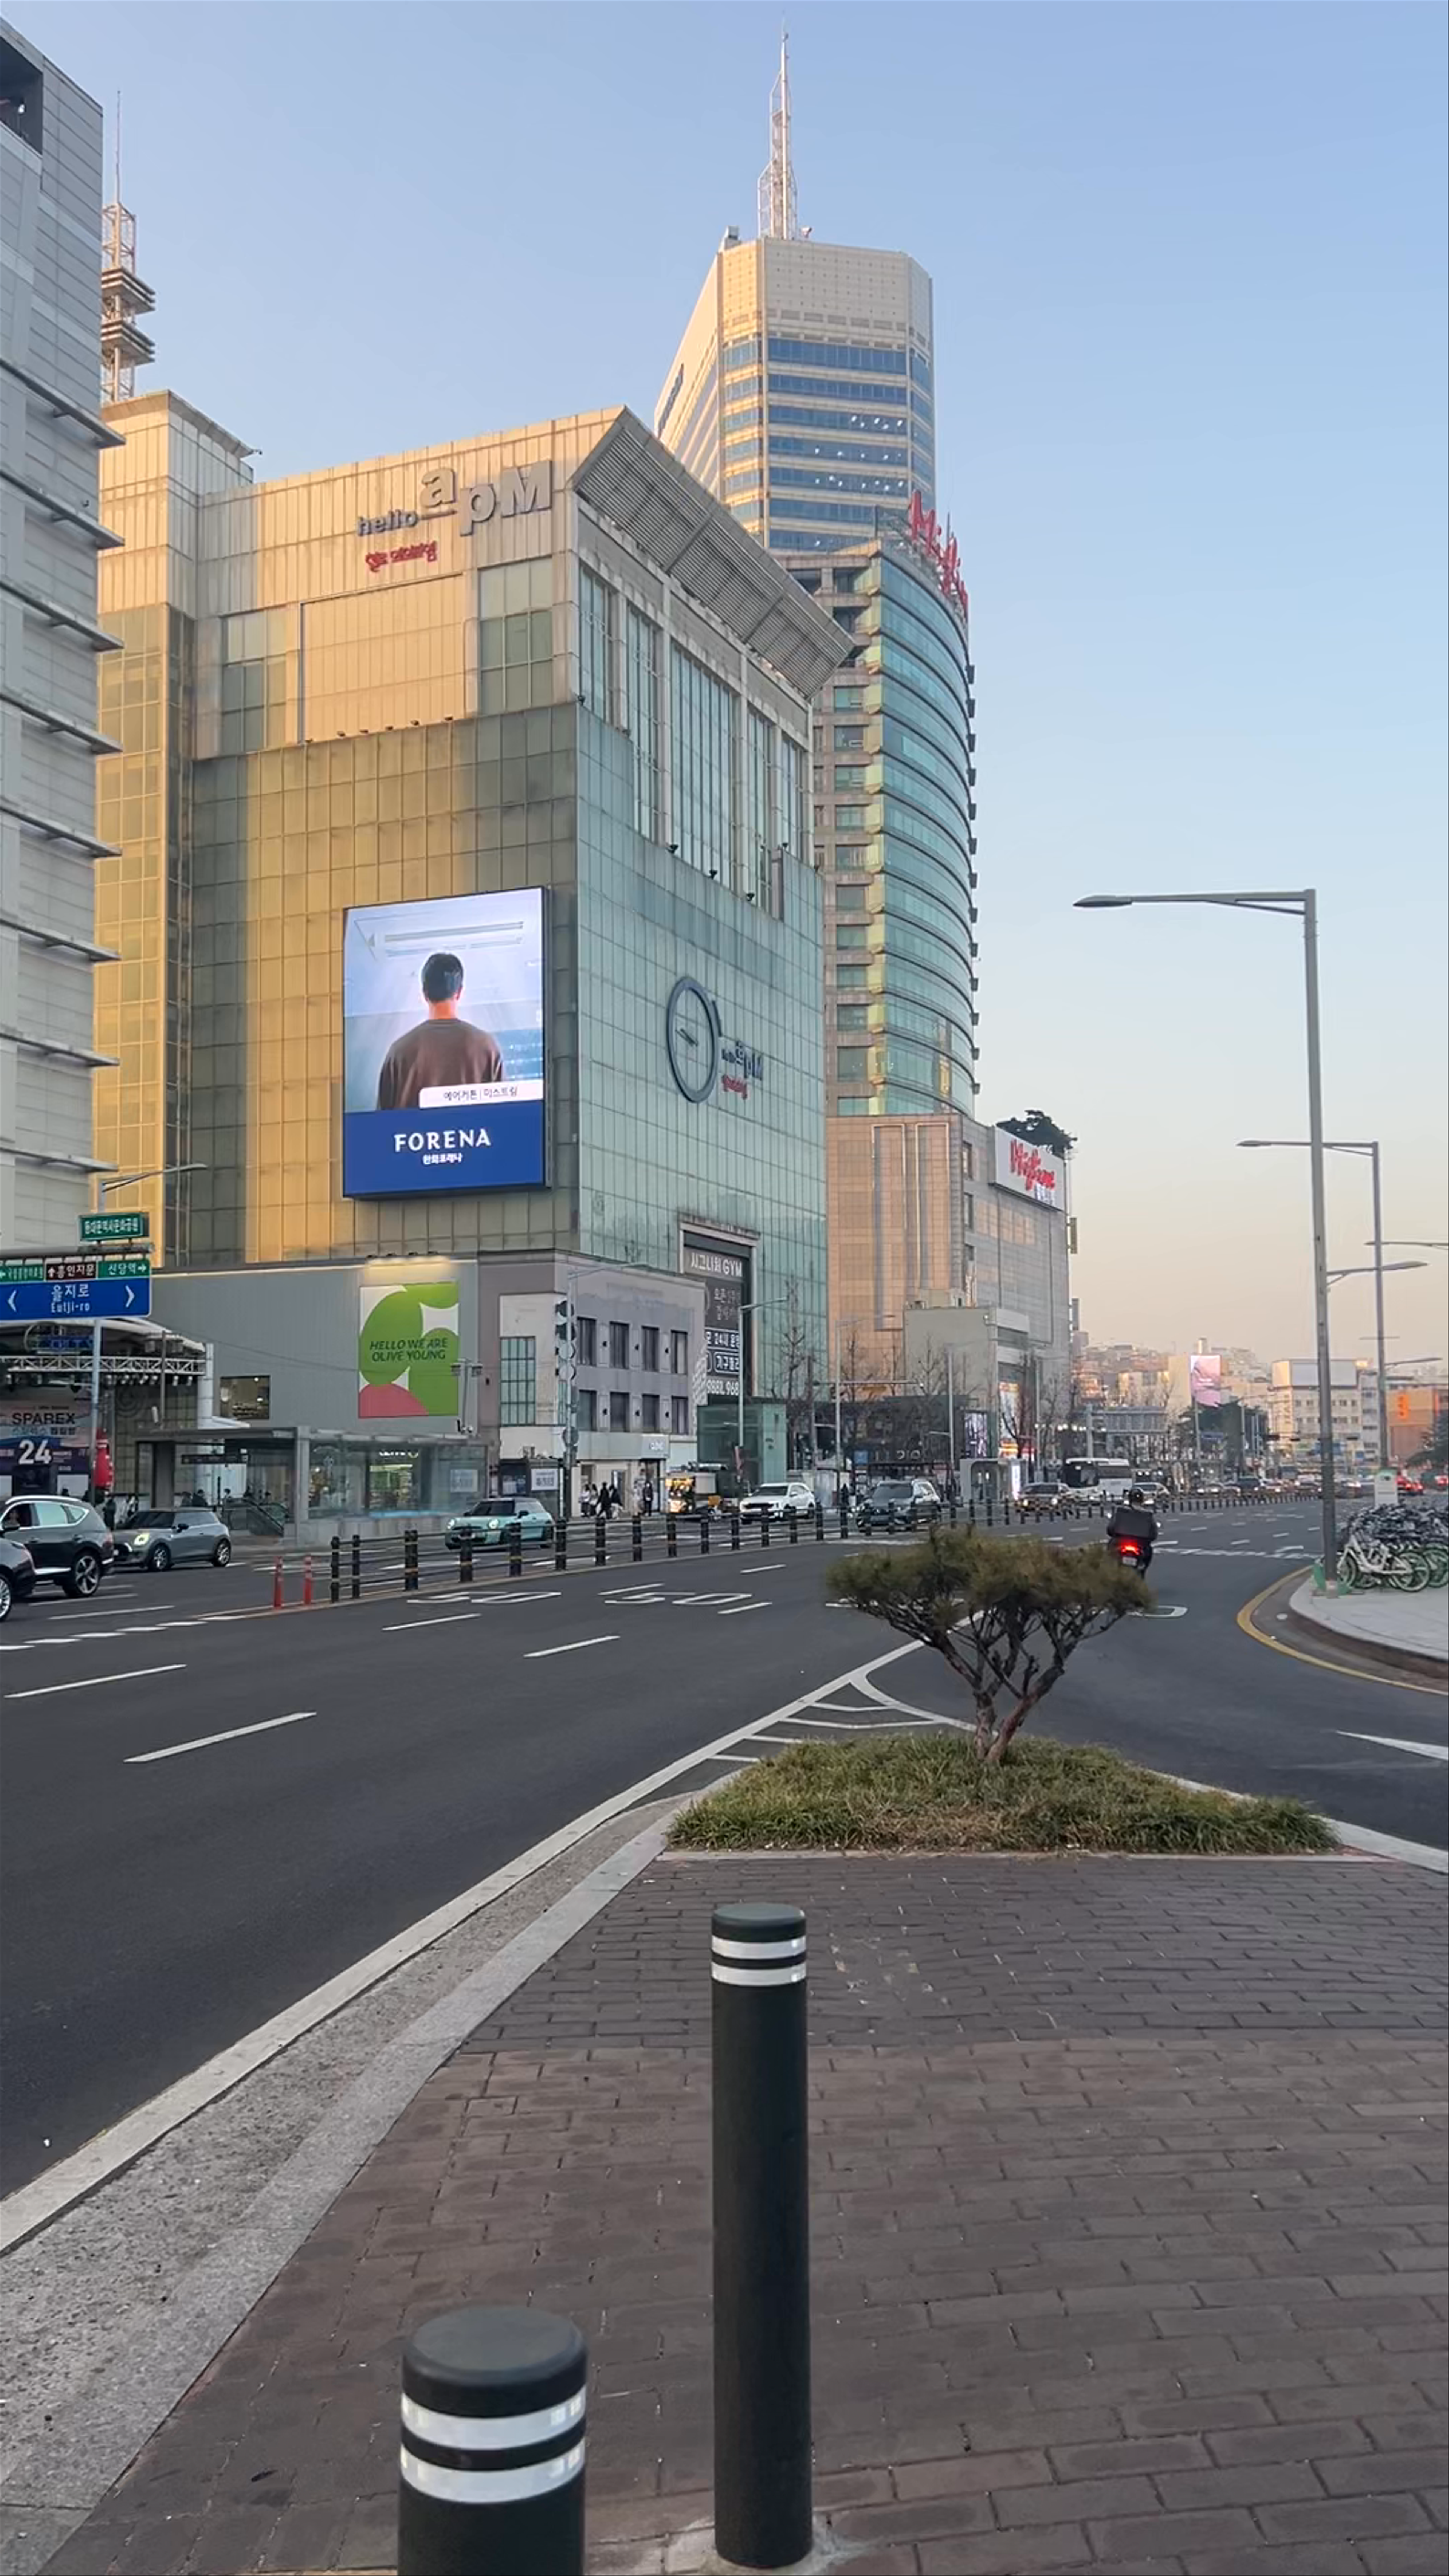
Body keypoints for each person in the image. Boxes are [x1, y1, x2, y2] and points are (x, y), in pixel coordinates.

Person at [375, 952, 503, 1110]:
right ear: (459, 992)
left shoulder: (399, 1052)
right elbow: (504, 1115)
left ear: (424, 993)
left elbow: (380, 1124)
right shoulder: (487, 1048)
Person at [1107, 1485, 1158, 1571]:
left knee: (1111, 1552)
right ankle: (1142, 1570)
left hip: (1121, 1542)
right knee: (1147, 1554)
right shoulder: (1148, 1515)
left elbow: (1111, 1529)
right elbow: (1153, 1534)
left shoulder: (1122, 1511)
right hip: (1140, 1544)